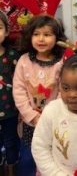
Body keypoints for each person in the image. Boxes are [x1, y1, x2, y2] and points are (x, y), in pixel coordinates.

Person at [12, 14, 67, 176]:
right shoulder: (24, 61)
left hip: (54, 121)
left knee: (53, 157)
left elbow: (63, 90)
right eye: (36, 34)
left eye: (47, 34)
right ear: (30, 36)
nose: (41, 39)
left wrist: (50, 115)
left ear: (57, 37)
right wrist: (32, 116)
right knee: (28, 159)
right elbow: (19, 91)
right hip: (30, 123)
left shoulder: (61, 62)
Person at [0, 10, 20, 175]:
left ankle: (12, 168)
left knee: (11, 141)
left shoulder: (13, 55)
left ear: (6, 31)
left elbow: (20, 84)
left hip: (10, 111)